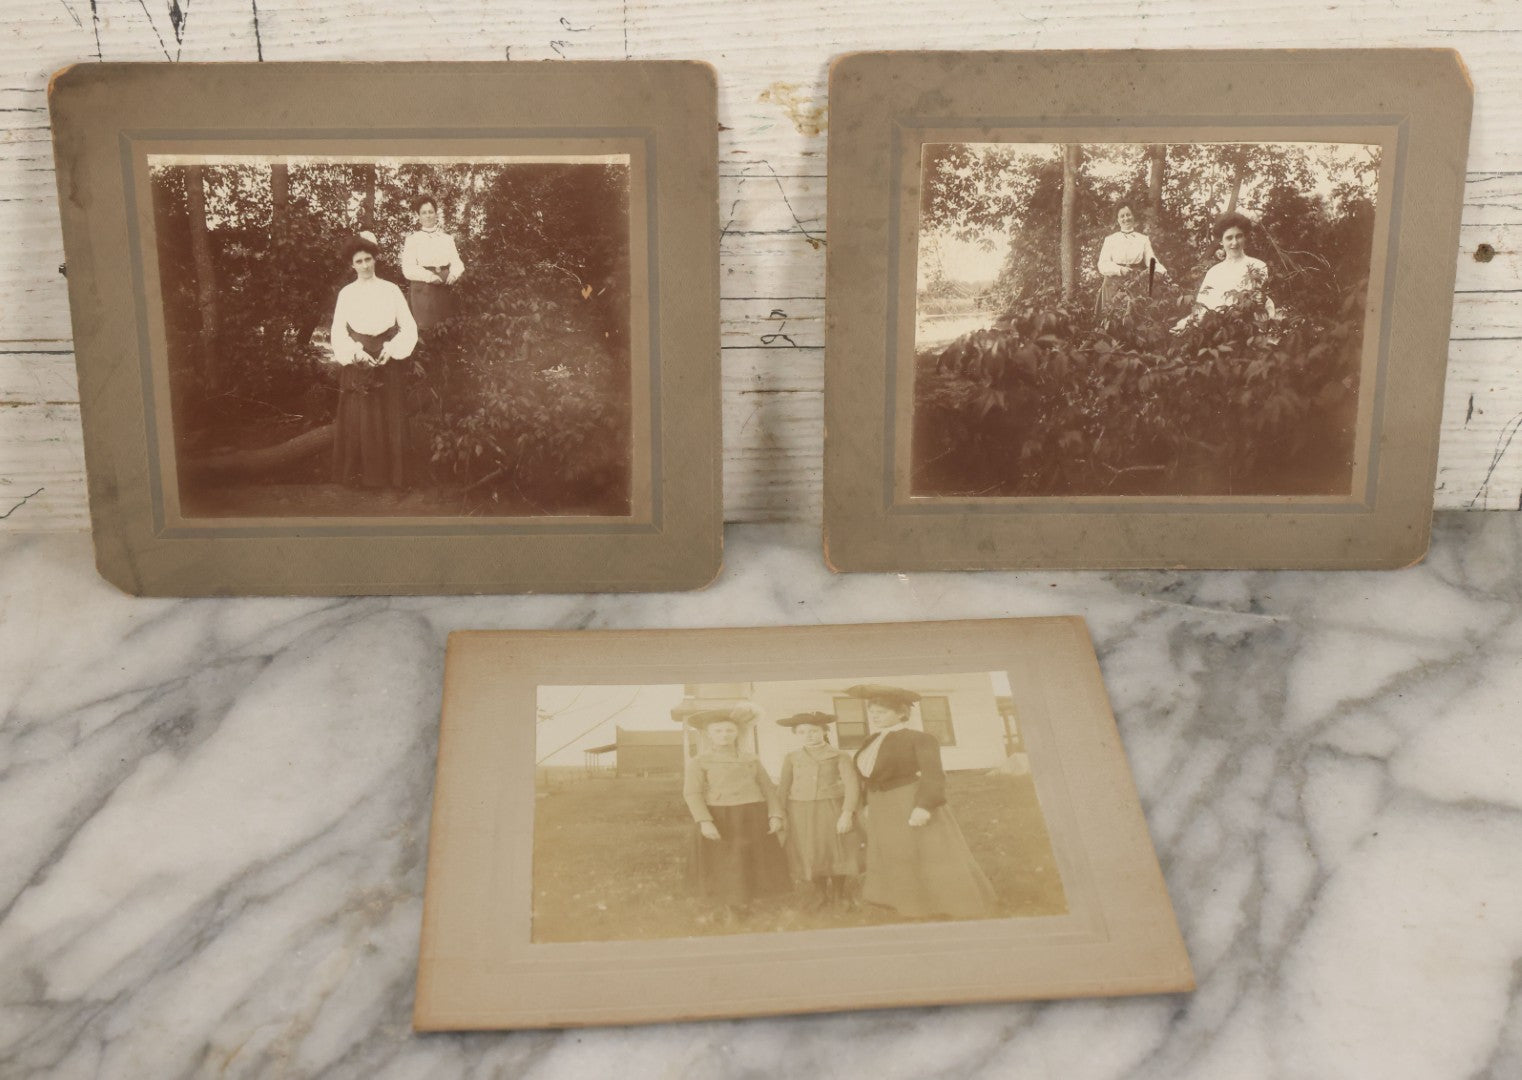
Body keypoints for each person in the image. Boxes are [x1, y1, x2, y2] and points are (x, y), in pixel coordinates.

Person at [849, 684, 995, 919]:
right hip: (881, 805)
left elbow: (934, 775)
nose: (875, 716)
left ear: (901, 713)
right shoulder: (872, 740)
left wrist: (924, 806)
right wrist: (866, 802)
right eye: (872, 712)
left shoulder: (921, 738)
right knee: (894, 854)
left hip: (907, 801)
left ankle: (940, 904)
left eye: (882, 712)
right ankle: (902, 901)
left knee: (923, 854)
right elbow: (868, 774)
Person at [682, 704, 790, 924]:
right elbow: (692, 793)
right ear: (708, 735)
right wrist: (705, 821)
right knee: (726, 863)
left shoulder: (750, 759)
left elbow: (768, 787)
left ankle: (747, 903)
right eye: (718, 731)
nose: (724, 735)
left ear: (737, 733)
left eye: (729, 730)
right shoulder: (699, 761)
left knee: (750, 860)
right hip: (721, 816)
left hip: (753, 815)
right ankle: (730, 907)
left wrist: (775, 814)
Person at [328, 232, 418, 489]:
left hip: (387, 357)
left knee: (391, 416)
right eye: (359, 261)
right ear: (351, 265)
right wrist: (356, 353)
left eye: (369, 259)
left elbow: (408, 326)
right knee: (361, 418)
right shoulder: (346, 294)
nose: (365, 265)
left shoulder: (391, 290)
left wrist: (392, 348)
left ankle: (394, 480)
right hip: (359, 360)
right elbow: (338, 331)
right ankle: (362, 481)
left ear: (375, 259)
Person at [775, 711, 865, 909]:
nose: (809, 735)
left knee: (834, 849)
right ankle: (821, 894)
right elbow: (783, 788)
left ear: (824, 731)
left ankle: (840, 894)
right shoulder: (792, 757)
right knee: (811, 850)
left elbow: (852, 785)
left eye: (814, 731)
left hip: (831, 807)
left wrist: (847, 812)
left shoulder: (839, 755)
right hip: (800, 809)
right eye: (802, 732)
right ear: (796, 734)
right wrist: (779, 813)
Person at [401, 194, 465, 332]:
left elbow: (457, 262)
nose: (428, 216)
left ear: (436, 214)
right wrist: (429, 277)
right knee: (425, 330)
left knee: (447, 329)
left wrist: (453, 275)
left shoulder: (447, 239)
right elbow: (408, 268)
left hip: (445, 287)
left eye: (431, 212)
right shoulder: (412, 240)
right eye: (424, 213)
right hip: (423, 289)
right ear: (418, 216)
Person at [1191, 211, 1269, 315]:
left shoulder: (1258, 266)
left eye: (1239, 236)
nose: (1235, 242)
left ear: (1245, 237)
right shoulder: (1214, 272)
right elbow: (1201, 309)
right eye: (1229, 238)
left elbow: (1259, 303)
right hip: (1215, 327)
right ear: (1221, 241)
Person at [1096, 205, 1166, 309]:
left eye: (1128, 215)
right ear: (1118, 220)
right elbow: (1102, 264)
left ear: (1133, 216)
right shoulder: (1110, 239)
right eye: (1122, 216)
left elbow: (1151, 260)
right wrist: (1119, 269)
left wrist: (1162, 271)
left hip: (1135, 280)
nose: (1126, 218)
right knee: (1112, 317)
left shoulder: (1143, 239)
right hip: (1113, 282)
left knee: (1134, 314)